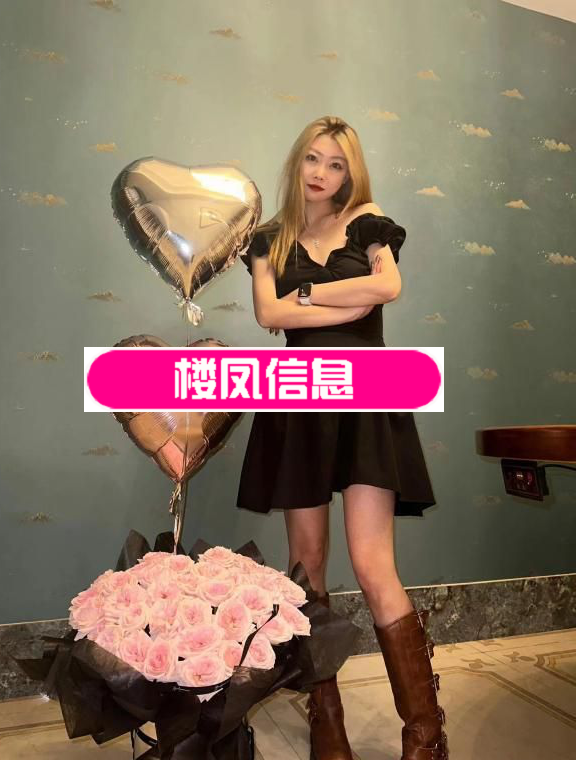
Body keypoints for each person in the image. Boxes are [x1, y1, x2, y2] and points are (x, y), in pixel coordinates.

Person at [237, 116, 448, 760]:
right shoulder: (269, 238)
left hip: (365, 399)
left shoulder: (368, 223)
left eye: (336, 163)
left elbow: (387, 287)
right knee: (307, 563)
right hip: (299, 397)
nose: (322, 172)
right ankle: (325, 719)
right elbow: (269, 313)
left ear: (350, 173)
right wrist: (340, 300)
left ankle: (425, 732)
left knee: (373, 563)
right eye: (313, 158)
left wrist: (307, 293)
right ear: (297, 162)